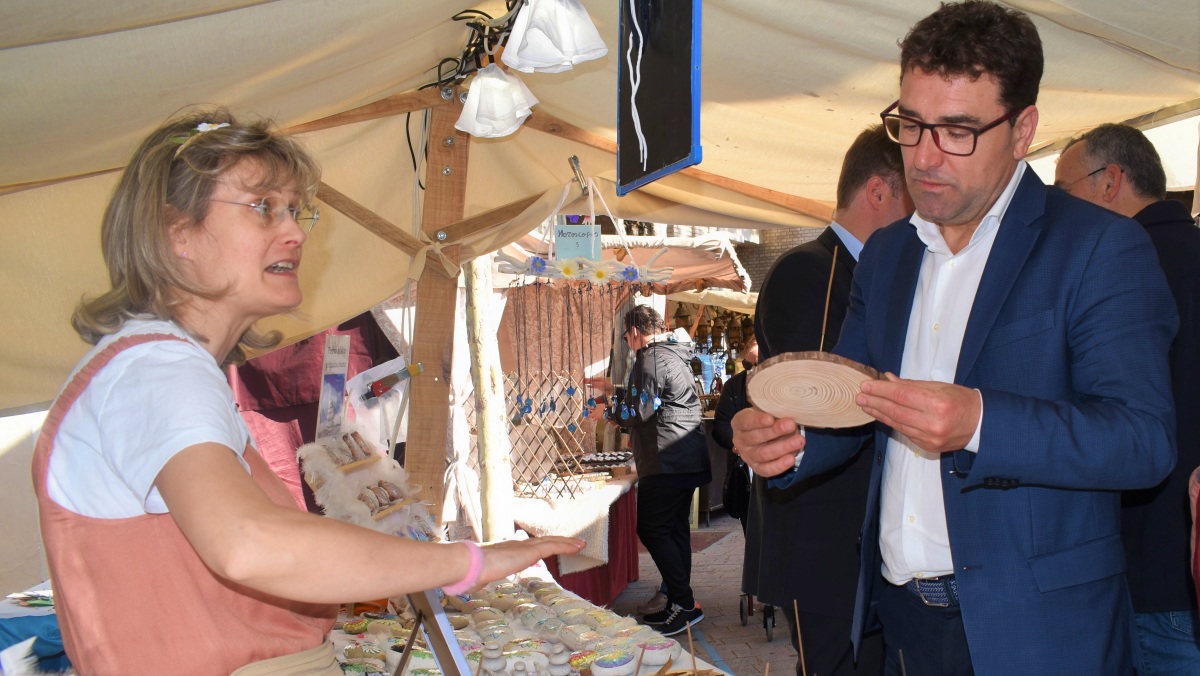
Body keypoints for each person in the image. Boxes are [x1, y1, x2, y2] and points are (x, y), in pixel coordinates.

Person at [31, 108, 583, 674]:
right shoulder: (158, 367)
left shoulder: (162, 364)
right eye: (262, 207)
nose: (294, 232)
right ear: (179, 236)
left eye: (294, 210)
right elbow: (248, 542)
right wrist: (466, 563)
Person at [732, 1, 1179, 673]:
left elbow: (1142, 442)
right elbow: (852, 401)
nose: (924, 156)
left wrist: (980, 422)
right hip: (899, 621)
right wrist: (786, 442)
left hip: (1038, 632)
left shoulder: (1098, 246)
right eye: (911, 125)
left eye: (958, 131)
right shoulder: (887, 255)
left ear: (1022, 130)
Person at [748, 124, 908, 676]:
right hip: (825, 545)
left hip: (858, 543)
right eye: (914, 199)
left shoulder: (862, 270)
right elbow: (816, 406)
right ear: (878, 191)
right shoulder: (811, 269)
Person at [1054, 123, 1200, 673]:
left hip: (1148, 568)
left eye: (1063, 192)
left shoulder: (1112, 270)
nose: (1058, 211)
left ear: (1110, 181)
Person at [593, 304, 711, 636]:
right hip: (684, 457)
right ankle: (678, 600)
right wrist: (616, 392)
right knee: (674, 529)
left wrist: (609, 412)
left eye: (626, 337)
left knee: (653, 528)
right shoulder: (672, 354)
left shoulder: (651, 357)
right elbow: (654, 398)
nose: (628, 343)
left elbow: (639, 411)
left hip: (667, 459)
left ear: (634, 332)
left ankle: (684, 603)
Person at [712, 335, 759, 532]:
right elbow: (720, 425)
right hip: (745, 474)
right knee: (751, 529)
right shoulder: (734, 386)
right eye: (748, 365)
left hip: (778, 472)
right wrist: (737, 443)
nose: (753, 369)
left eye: (759, 363)